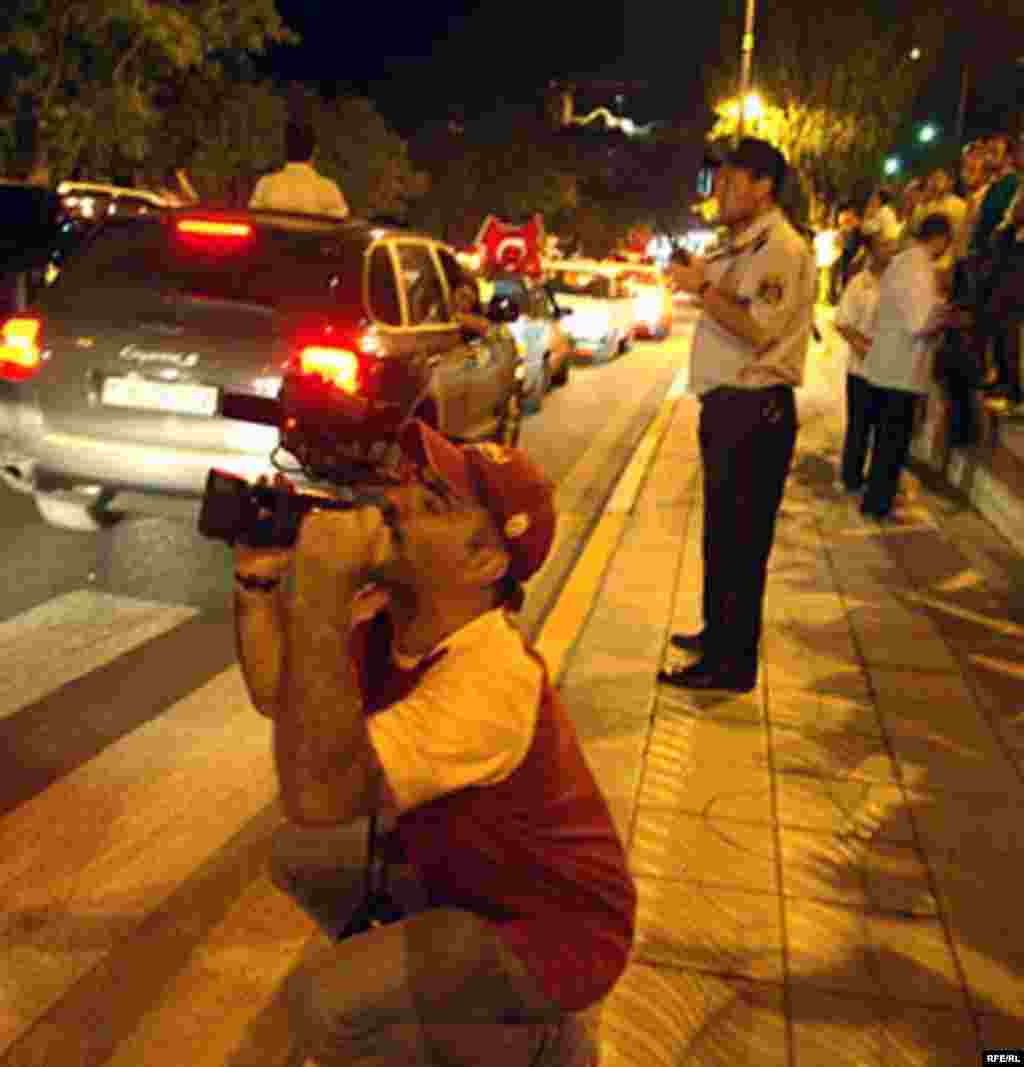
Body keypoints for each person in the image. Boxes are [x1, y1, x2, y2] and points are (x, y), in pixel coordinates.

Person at [232, 423, 636, 1067]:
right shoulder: (399, 622)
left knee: (326, 1001)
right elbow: (280, 700)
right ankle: (438, 1001)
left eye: (436, 503)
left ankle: (534, 1044)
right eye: (418, 482)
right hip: (468, 881)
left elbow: (321, 792)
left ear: (484, 562)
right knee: (301, 854)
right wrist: (257, 589)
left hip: (551, 931)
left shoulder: (488, 678)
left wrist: (320, 593)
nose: (399, 498)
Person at [658, 137, 817, 693]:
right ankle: (718, 634)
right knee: (723, 535)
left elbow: (757, 327)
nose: (718, 194)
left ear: (763, 185)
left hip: (755, 411)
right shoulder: (745, 244)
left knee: (742, 541)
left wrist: (702, 286)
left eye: (729, 183)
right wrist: (699, 278)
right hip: (730, 409)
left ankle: (729, 665)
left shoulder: (779, 248)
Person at [859, 214, 955, 520]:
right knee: (892, 442)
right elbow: (920, 321)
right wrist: (947, 316)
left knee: (886, 441)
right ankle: (879, 504)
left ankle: (877, 500)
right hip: (901, 370)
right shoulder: (918, 268)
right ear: (939, 238)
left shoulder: (902, 262)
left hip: (888, 366)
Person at [835, 236, 893, 493]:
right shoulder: (859, 284)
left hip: (890, 368)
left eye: (893, 245)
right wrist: (862, 346)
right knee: (859, 426)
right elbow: (843, 322)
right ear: (870, 251)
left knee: (884, 428)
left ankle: (876, 480)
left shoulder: (898, 283)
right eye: (884, 245)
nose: (890, 250)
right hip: (861, 367)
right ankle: (851, 477)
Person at [248, 122, 350, 218]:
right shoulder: (328, 189)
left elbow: (254, 216)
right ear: (314, 152)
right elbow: (341, 223)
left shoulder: (265, 185)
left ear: (285, 150)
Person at [453, 273, 491, 338]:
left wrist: (459, 317)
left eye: (470, 301)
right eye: (463, 296)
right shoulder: (438, 308)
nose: (465, 304)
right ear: (453, 292)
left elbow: (484, 326)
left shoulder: (475, 320)